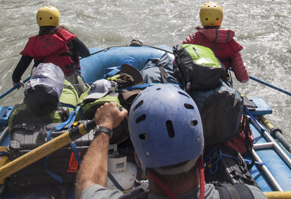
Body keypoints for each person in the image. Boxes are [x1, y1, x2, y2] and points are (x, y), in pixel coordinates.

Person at [75, 85, 266, 199]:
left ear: (139, 161)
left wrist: (105, 127)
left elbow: (87, 184)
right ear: (201, 148)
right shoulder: (250, 195)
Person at [12, 6, 90, 95]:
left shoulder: (33, 44)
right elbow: (86, 53)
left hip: (44, 82)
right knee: (85, 94)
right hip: (70, 78)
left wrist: (16, 80)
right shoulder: (67, 36)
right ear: (57, 19)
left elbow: (21, 67)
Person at [182, 2, 249, 83]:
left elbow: (177, 62)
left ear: (201, 18)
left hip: (197, 84)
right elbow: (243, 78)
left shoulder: (192, 39)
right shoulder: (230, 43)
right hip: (221, 84)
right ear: (220, 18)